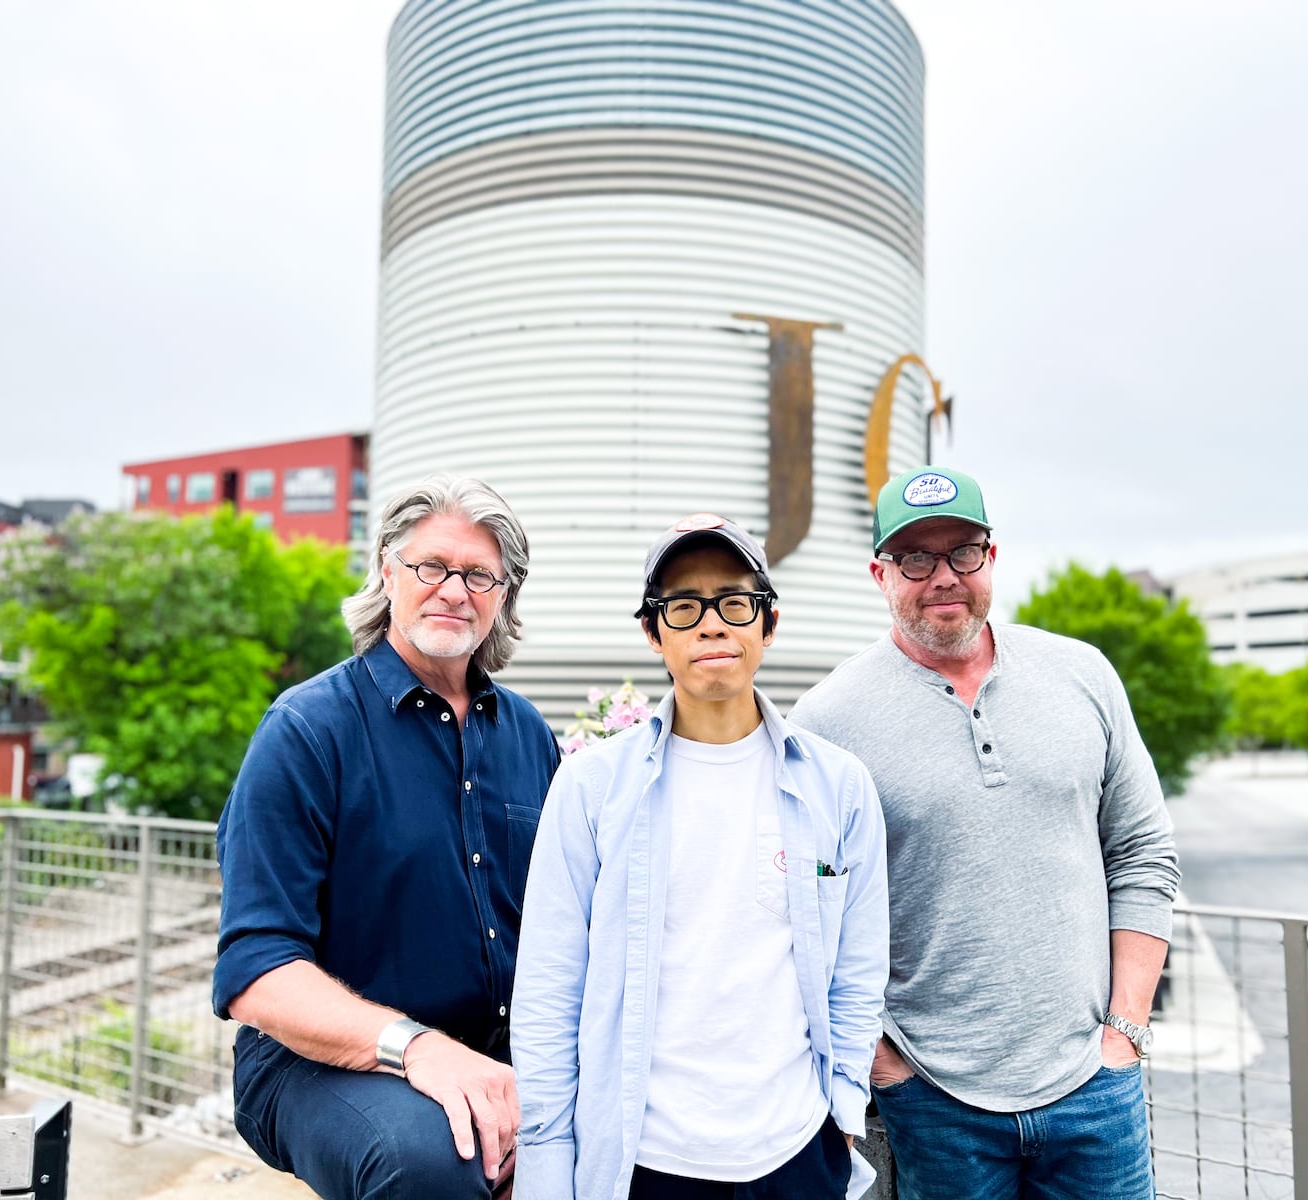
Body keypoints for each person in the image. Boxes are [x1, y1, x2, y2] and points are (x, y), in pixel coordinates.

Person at [792, 466, 1180, 1200]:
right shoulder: (826, 722)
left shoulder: (1083, 677)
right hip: (936, 1102)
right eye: (916, 558)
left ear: (992, 560)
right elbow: (809, 909)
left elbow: (1142, 854)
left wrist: (1124, 1035)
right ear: (880, 574)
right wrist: (884, 1063)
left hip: (1096, 1090)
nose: (943, 577)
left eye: (962, 552)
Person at [511, 513, 889, 1200]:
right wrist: (546, 1166)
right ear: (654, 633)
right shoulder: (592, 788)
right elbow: (548, 991)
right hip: (643, 1162)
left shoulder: (839, 787)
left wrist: (844, 1115)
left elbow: (859, 969)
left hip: (798, 1153)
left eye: (734, 602)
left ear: (767, 624)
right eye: (683, 607)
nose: (712, 624)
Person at [212, 475, 561, 1200]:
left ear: (503, 594)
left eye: (478, 574)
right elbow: (256, 971)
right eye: (431, 566)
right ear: (386, 569)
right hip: (317, 1061)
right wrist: (420, 1049)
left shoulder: (530, 737)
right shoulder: (306, 731)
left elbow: (565, 929)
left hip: (495, 1054)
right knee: (432, 1161)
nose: (453, 590)